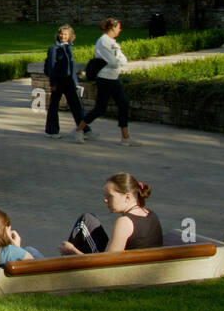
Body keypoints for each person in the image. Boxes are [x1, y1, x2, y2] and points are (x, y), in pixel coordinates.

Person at [59, 173, 162, 255]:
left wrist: (72, 251)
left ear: (127, 197)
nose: (105, 200)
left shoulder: (125, 223)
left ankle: (64, 269)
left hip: (124, 275)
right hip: (142, 269)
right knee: (88, 219)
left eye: (110, 196)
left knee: (83, 222)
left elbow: (107, 265)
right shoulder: (151, 214)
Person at [77, 17, 142, 147]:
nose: (120, 30)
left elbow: (123, 59)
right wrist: (119, 60)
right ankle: (79, 130)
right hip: (104, 78)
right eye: (119, 28)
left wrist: (119, 59)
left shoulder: (113, 42)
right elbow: (114, 62)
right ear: (112, 28)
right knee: (100, 109)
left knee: (123, 104)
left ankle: (125, 138)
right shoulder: (103, 42)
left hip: (114, 77)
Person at [44, 24, 86, 141]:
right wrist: (53, 83)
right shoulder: (54, 48)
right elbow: (52, 66)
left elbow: (71, 68)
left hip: (69, 82)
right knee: (54, 105)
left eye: (66, 34)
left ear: (70, 36)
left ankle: (84, 129)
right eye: (61, 34)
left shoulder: (68, 47)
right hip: (58, 81)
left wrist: (75, 82)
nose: (63, 36)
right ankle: (52, 130)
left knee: (76, 105)